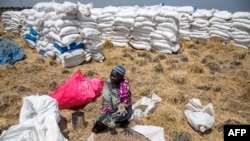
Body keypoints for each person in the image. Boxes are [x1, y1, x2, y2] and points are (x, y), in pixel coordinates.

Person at [92, 65, 133, 134]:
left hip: (125, 109)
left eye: (114, 76)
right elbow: (107, 100)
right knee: (99, 124)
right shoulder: (109, 83)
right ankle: (108, 122)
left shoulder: (124, 85)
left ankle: (119, 121)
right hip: (113, 107)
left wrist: (123, 105)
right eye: (111, 75)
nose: (112, 77)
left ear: (121, 78)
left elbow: (127, 101)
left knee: (120, 114)